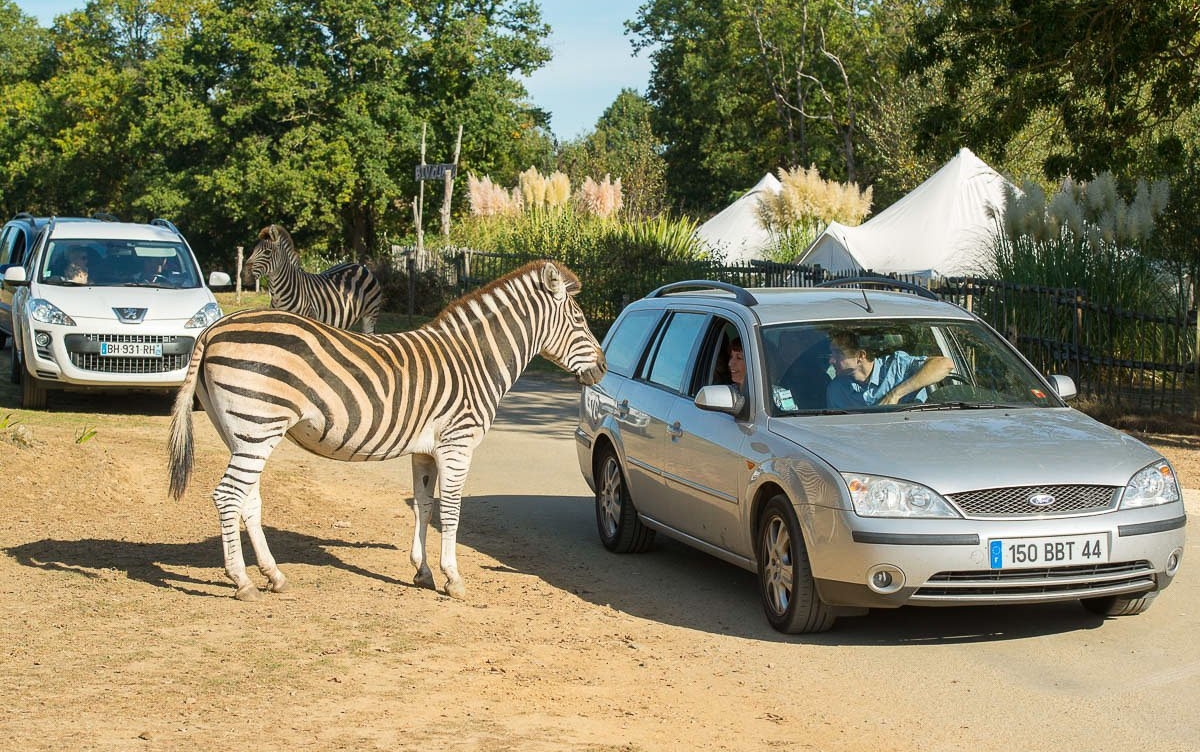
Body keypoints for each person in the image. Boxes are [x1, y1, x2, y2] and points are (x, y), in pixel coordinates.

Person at [826, 329, 953, 408]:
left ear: (860, 356)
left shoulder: (897, 367)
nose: (831, 360)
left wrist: (895, 395)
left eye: (838, 353)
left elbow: (945, 364)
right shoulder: (837, 390)